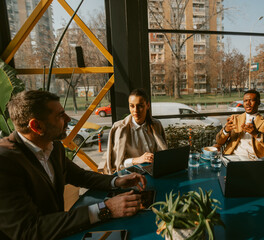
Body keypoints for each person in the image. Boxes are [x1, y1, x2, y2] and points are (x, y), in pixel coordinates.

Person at [0, 90, 147, 240]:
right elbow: (29, 230)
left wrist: (116, 181)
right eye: (60, 115)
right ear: (36, 126)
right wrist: (106, 209)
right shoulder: (4, 162)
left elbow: (80, 176)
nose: (68, 118)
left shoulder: (53, 147)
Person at [106, 88, 167, 173]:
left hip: (156, 173)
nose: (135, 110)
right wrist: (137, 160)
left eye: (140, 106)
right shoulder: (119, 128)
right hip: (130, 176)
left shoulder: (156, 125)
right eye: (132, 106)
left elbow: (163, 154)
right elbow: (117, 164)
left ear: (148, 105)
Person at [215, 89, 264, 160]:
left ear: (258, 102)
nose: (248, 103)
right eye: (245, 101)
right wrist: (225, 131)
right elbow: (218, 141)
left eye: (251, 100)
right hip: (233, 156)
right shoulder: (235, 118)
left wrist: (256, 134)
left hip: (254, 159)